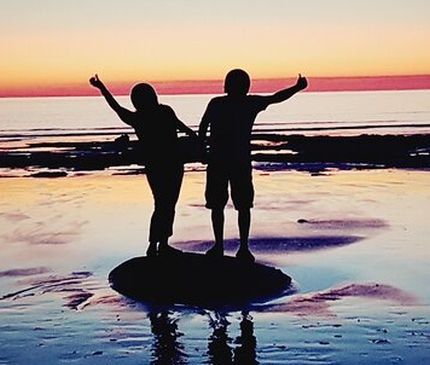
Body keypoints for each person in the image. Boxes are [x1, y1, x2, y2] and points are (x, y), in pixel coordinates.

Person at [198, 69, 308, 262]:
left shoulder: (221, 103)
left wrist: (202, 149)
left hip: (223, 160)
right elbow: (275, 98)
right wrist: (297, 88)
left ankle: (229, 246)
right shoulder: (244, 103)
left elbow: (203, 125)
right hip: (233, 160)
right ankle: (236, 247)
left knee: (226, 205)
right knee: (236, 206)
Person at [89, 75, 197, 257]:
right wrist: (193, 135)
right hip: (169, 163)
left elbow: (116, 107)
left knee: (164, 204)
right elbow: (180, 126)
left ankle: (159, 244)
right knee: (166, 204)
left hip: (161, 164)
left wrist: (101, 88)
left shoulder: (141, 117)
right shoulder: (157, 113)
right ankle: (156, 245)